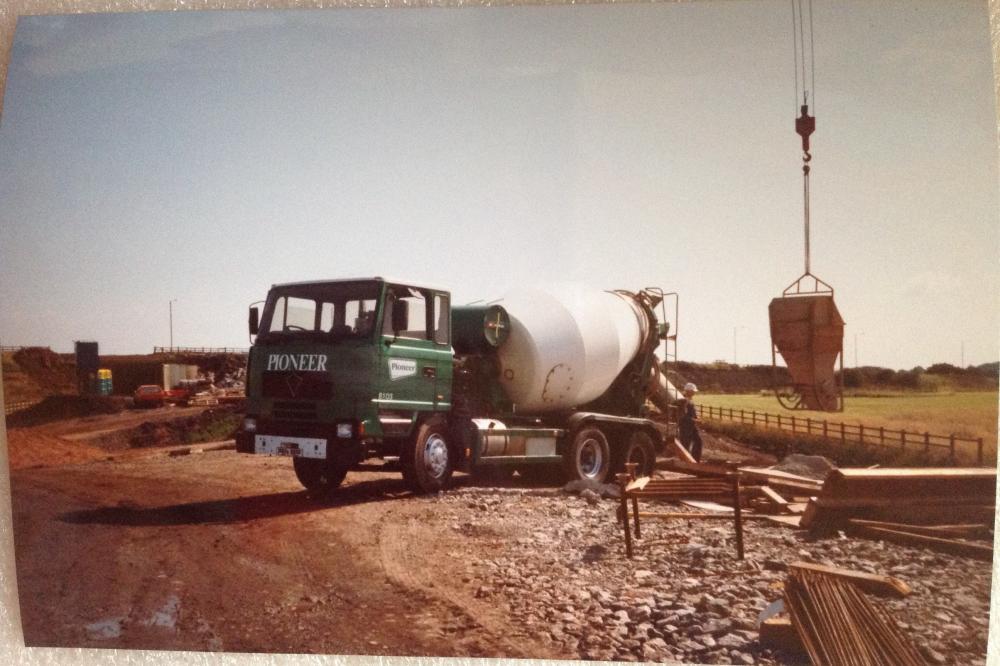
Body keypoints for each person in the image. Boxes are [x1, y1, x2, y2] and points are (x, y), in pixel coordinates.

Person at [677, 382, 703, 462]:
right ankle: (686, 463)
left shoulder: (688, 400)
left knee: (698, 441)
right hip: (685, 426)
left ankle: (694, 461)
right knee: (685, 445)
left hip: (691, 426)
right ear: (689, 391)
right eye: (693, 391)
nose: (694, 393)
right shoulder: (684, 401)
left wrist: (696, 418)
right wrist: (695, 420)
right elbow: (683, 416)